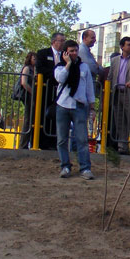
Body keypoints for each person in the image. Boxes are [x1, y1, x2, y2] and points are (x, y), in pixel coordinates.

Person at [54, 40, 96, 179]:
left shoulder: (84, 67)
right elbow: (60, 79)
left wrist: (92, 106)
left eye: (75, 50)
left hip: (79, 106)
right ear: (65, 52)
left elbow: (89, 87)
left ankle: (85, 168)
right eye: (70, 51)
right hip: (63, 105)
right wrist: (68, 64)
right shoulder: (60, 66)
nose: (73, 53)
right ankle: (65, 166)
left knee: (82, 139)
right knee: (62, 139)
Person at [108, 36, 130, 155]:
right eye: (129, 44)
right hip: (118, 94)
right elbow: (110, 76)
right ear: (122, 47)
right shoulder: (115, 60)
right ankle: (122, 147)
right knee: (120, 121)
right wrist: (107, 88)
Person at [35, 32, 65, 150]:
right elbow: (40, 69)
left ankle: (54, 142)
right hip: (45, 90)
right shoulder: (43, 53)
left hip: (60, 92)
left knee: (58, 116)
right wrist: (55, 74)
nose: (62, 43)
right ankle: (42, 142)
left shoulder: (65, 55)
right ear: (54, 41)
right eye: (60, 40)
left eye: (63, 40)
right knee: (43, 115)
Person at [18, 52, 37, 149]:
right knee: (28, 120)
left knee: (34, 119)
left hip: (34, 97)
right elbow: (24, 83)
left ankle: (33, 142)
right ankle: (23, 144)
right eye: (34, 59)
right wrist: (33, 92)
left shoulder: (36, 69)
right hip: (29, 96)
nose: (35, 61)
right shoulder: (27, 68)